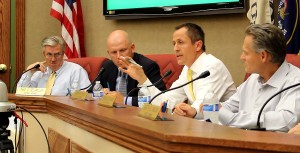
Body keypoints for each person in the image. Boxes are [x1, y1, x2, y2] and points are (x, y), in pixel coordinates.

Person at [118, 23, 236, 119]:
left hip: (230, 129)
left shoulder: (212, 67)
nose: (175, 48)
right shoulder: (188, 69)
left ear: (198, 45)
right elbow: (166, 101)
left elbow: (200, 108)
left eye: (180, 42)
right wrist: (142, 78)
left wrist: (183, 111)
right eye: (174, 44)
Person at [219, 24, 300, 132]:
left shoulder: (295, 81)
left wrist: (232, 119)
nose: (241, 57)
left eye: (246, 53)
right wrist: (198, 111)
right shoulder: (254, 78)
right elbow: (229, 107)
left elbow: (285, 121)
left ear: (263, 56)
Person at [89, 30, 166, 106]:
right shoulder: (107, 66)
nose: (118, 56)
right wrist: (101, 93)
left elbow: (160, 97)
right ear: (108, 53)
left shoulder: (147, 66)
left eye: (122, 50)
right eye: (114, 52)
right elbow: (90, 91)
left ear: (132, 48)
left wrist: (125, 100)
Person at [17, 36, 90, 96]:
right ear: (44, 54)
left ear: (63, 54)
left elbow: (86, 97)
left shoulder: (76, 71)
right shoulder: (39, 73)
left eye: (57, 54)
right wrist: (28, 72)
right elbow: (21, 94)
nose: (53, 59)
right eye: (49, 54)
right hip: (39, 111)